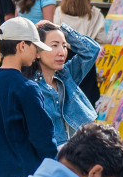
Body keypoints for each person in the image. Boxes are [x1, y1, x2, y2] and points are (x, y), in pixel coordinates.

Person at [0, 18, 56, 177]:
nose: (37, 52)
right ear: (22, 45)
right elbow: (43, 136)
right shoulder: (26, 88)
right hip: (24, 174)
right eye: (34, 46)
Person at [28, 20, 100, 148]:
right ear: (37, 52)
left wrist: (62, 29)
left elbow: (92, 50)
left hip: (79, 150)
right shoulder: (30, 88)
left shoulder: (65, 75)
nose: (62, 52)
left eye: (64, 45)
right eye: (54, 45)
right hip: (51, 157)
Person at [55, 0, 108, 106]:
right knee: (86, 102)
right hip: (87, 63)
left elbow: (54, 35)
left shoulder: (59, 12)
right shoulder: (95, 14)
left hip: (64, 59)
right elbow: (102, 39)